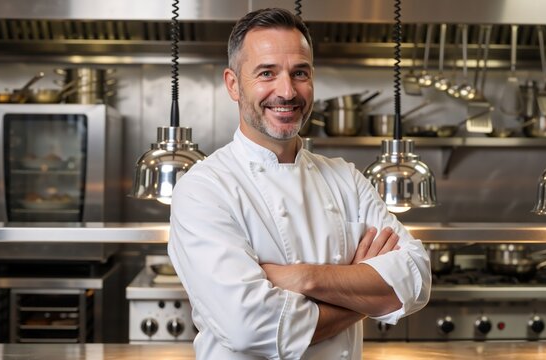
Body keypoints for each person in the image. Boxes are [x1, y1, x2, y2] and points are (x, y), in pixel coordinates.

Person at [168, 8, 431, 360]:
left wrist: (304, 278)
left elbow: (416, 276)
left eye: (300, 73)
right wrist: (366, 295)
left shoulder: (346, 178)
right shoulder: (204, 189)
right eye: (267, 73)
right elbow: (250, 326)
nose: (287, 91)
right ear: (233, 84)